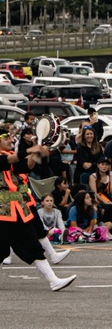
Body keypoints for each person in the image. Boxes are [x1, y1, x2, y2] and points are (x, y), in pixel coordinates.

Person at [0, 124, 76, 290]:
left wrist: (34, 153)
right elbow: (8, 161)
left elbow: (26, 166)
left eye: (10, 137)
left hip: (18, 211)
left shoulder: (11, 154)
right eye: (6, 138)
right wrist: (29, 150)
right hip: (2, 212)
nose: (10, 140)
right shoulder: (4, 157)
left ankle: (53, 280)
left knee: (32, 245)